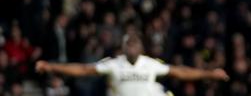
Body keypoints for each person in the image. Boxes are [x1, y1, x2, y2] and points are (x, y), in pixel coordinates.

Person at [36, 33, 229, 96]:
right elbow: (83, 69)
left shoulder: (150, 64)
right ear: (122, 47)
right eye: (128, 42)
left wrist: (210, 74)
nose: (132, 45)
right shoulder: (113, 64)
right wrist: (51, 67)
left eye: (135, 42)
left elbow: (180, 72)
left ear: (141, 47)